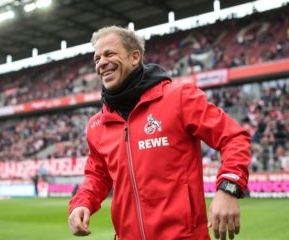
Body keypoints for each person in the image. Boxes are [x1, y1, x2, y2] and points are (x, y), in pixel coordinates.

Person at [68, 25, 251, 240]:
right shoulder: (97, 125)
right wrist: (82, 202)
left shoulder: (178, 98)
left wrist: (228, 189)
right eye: (97, 58)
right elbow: (97, 175)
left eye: (109, 54)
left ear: (135, 57)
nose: (101, 63)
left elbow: (233, 137)